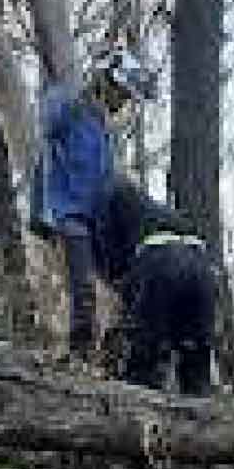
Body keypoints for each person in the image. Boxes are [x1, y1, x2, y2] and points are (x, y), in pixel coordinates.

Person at [32, 48, 156, 362]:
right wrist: (65, 96)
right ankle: (79, 354)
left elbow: (104, 178)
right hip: (68, 214)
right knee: (83, 288)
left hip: (98, 220)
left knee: (122, 281)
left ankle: (118, 351)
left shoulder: (102, 129)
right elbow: (47, 123)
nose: (122, 103)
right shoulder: (69, 109)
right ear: (105, 82)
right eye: (121, 94)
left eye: (127, 98)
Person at [90, 176, 219, 395]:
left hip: (160, 263)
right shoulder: (162, 212)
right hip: (202, 267)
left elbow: (115, 264)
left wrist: (123, 294)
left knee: (146, 350)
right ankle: (202, 410)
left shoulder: (113, 206)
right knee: (195, 352)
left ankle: (137, 411)